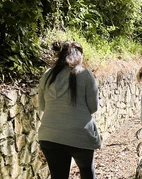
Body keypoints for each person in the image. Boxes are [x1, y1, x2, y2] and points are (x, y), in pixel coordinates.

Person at [38, 41, 101, 179]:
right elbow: (93, 107)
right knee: (86, 171)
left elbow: (42, 106)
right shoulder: (85, 74)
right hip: (80, 135)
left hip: (49, 136)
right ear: (79, 56)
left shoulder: (47, 75)